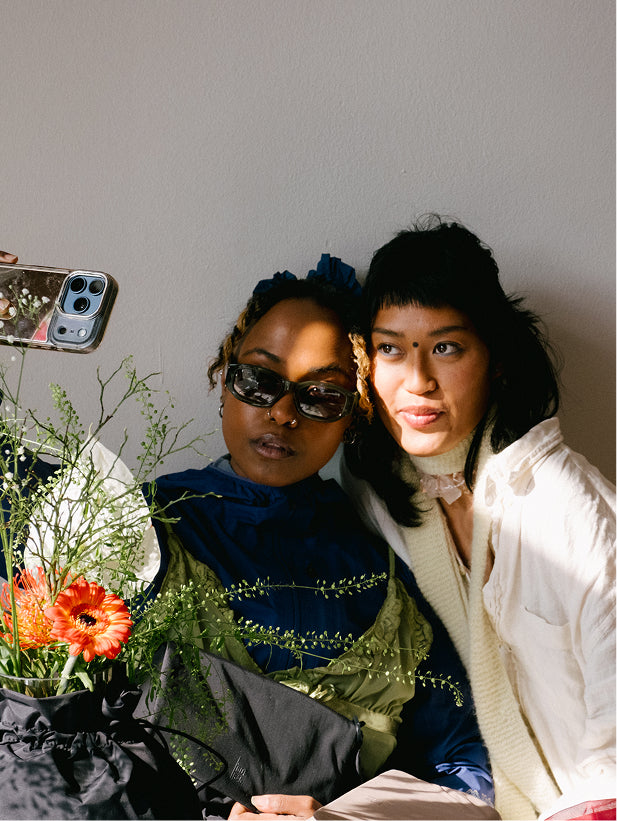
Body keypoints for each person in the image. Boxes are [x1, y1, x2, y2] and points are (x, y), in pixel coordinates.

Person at [147, 255, 495, 819]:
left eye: (322, 396)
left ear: (353, 416)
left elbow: (468, 766)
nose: (284, 413)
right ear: (223, 381)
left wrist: (346, 819)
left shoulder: (386, 569)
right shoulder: (130, 524)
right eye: (259, 380)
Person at [342, 216, 616, 821]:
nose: (417, 381)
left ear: (494, 357)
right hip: (481, 797)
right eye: (391, 349)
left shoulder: (564, 500)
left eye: (445, 347)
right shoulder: (380, 500)